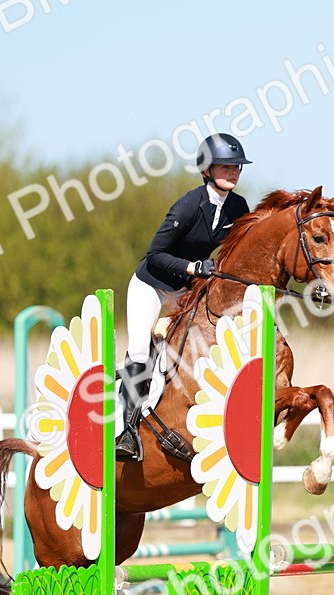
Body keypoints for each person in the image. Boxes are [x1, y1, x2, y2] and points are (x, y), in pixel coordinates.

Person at [116, 133, 252, 461]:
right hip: (152, 285)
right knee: (139, 350)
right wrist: (193, 266)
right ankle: (126, 432)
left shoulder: (239, 207)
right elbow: (155, 254)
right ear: (206, 170)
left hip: (185, 292)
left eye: (236, 167)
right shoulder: (189, 205)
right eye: (225, 166)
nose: (233, 172)